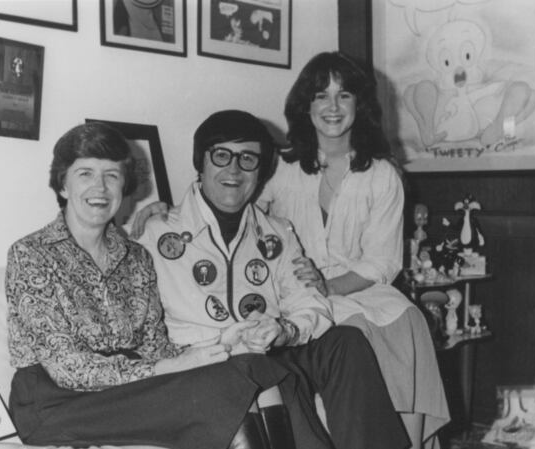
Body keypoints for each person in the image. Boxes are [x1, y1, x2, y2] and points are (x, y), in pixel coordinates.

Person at [5, 122, 325, 449]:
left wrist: (223, 343)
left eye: (112, 175)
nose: (100, 187)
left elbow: (156, 348)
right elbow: (68, 368)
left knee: (258, 366)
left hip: (122, 391)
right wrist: (172, 366)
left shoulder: (135, 257)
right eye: (85, 174)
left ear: (124, 186)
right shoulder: (32, 254)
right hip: (55, 401)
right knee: (222, 390)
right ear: (63, 185)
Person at [136, 110, 410, 449]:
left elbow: (310, 303)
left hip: (270, 351)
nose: (234, 170)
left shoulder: (277, 233)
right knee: (264, 371)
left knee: (345, 342)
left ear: (261, 172)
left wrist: (285, 331)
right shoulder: (155, 233)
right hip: (209, 360)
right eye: (221, 155)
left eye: (248, 159)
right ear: (200, 163)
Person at [260, 51, 450, 449]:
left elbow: (382, 261)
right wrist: (160, 213)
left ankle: (409, 442)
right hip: (294, 292)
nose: (332, 106)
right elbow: (238, 212)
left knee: (409, 319)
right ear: (305, 105)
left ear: (358, 104)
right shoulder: (278, 167)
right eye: (321, 95)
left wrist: (329, 286)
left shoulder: (381, 174)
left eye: (343, 95)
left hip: (357, 287)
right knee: (356, 334)